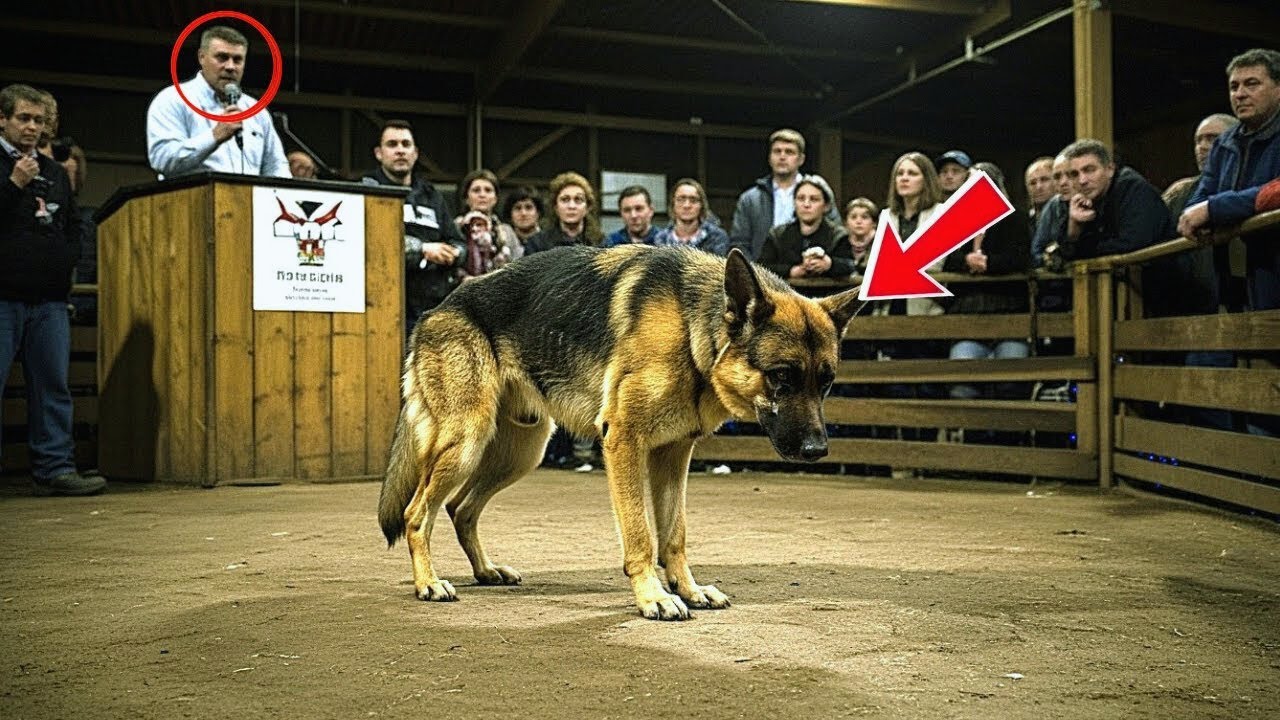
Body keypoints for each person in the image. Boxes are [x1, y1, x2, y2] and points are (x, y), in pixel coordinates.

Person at [0, 84, 105, 495]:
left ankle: (56, 468)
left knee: (53, 387)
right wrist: (13, 184)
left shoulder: (56, 173)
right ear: (3, 119)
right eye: (23, 118)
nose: (31, 127)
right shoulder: (11, 168)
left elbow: (73, 225)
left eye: (38, 120)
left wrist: (65, 262)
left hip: (48, 300)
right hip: (3, 296)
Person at [1179, 48, 1280, 312]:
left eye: (1252, 84)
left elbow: (1274, 191)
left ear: (1279, 88)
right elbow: (1198, 199)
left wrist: (1216, 209)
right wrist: (1203, 212)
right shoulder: (1226, 142)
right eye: (1234, 86)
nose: (1240, 94)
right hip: (1237, 270)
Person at [359, 119, 463, 335]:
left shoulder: (431, 195)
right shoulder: (367, 190)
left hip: (431, 307)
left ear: (415, 153)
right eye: (392, 144)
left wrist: (453, 253)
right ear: (379, 153)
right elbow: (368, 243)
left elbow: (459, 241)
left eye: (406, 145)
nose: (400, 151)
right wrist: (422, 250)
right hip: (383, 305)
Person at [146, 25, 289, 179]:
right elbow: (162, 160)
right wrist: (214, 136)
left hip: (248, 202)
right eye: (222, 57)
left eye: (238, 60)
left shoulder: (257, 111)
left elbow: (277, 167)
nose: (230, 67)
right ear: (201, 57)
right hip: (191, 201)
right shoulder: (172, 99)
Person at [942, 162, 1031, 407]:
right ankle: (970, 442)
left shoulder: (1015, 218)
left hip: (1009, 311)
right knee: (962, 387)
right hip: (968, 315)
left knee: (1010, 386)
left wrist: (989, 263)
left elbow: (1021, 258)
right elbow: (948, 259)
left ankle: (1010, 442)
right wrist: (967, 260)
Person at [729, 128, 836, 260]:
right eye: (777, 151)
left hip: (811, 275)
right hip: (763, 273)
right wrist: (754, 274)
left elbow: (836, 234)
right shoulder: (750, 199)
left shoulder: (817, 193)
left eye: (789, 152)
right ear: (769, 157)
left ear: (801, 159)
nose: (782, 156)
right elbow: (739, 244)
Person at [757, 174, 853, 280]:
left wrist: (830, 264)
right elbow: (761, 268)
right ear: (794, 203)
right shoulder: (777, 235)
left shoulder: (838, 235)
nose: (806, 204)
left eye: (814, 199)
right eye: (801, 199)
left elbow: (850, 266)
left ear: (826, 206)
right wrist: (790, 271)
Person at [455, 168, 521, 266]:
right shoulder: (456, 226)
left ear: (495, 199)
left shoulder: (507, 231)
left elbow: (519, 263)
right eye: (476, 190)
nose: (482, 195)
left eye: (488, 190)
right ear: (466, 198)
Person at [524, 171, 603, 254]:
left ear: (587, 207)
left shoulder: (601, 243)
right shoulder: (537, 244)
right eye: (565, 199)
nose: (571, 206)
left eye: (578, 199)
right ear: (555, 206)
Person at [653, 178, 729, 255]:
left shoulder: (716, 237)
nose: (687, 205)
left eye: (693, 200)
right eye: (681, 199)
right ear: (673, 204)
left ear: (702, 205)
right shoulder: (661, 239)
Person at [842, 197, 877, 276]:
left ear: (874, 223)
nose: (859, 221)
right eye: (853, 217)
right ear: (846, 222)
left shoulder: (881, 244)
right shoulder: (840, 243)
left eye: (864, 217)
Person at [1024, 156, 1055, 239]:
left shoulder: (1070, 217)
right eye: (1032, 183)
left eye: (1044, 179)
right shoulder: (1023, 223)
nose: (1038, 187)